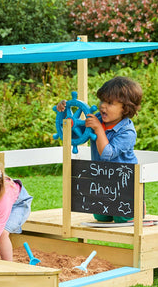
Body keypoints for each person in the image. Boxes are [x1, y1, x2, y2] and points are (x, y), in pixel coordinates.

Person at [57, 75, 143, 222]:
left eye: (110, 103)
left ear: (125, 108)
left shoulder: (127, 132)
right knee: (101, 217)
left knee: (122, 219)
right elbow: (74, 134)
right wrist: (64, 113)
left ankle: (139, 205)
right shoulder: (97, 119)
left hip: (124, 181)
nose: (103, 106)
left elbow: (107, 154)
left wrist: (98, 129)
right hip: (102, 178)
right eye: (102, 100)